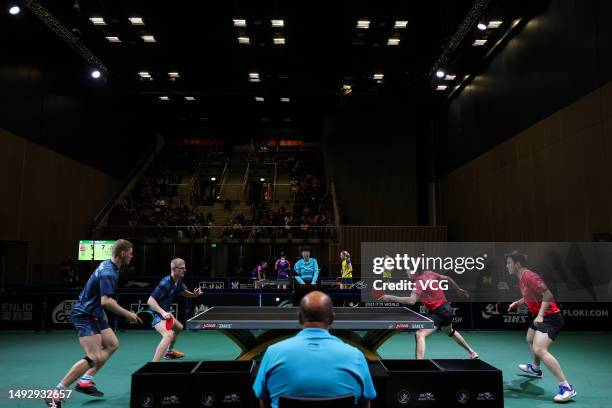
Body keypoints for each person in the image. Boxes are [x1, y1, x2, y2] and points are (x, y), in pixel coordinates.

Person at [45, 240, 142, 408]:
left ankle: (85, 380)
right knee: (94, 356)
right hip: (84, 314)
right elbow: (106, 301)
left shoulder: (109, 265)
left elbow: (100, 298)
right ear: (123, 253)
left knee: (112, 344)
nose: (132, 255)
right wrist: (129, 314)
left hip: (95, 312)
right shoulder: (109, 274)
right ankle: (56, 393)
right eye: (131, 252)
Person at [253, 291, 376, 408]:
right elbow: (365, 402)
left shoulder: (272, 353)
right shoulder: (356, 356)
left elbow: (262, 398)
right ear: (332, 318)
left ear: (300, 318)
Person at [505, 251, 576, 403]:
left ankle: (566, 387)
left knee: (539, 349)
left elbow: (548, 295)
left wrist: (541, 315)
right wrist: (517, 303)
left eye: (509, 262)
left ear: (517, 264)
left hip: (550, 318)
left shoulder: (529, 276)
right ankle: (535, 369)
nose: (507, 265)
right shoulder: (522, 278)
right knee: (530, 337)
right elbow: (530, 295)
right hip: (542, 316)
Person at [380, 268, 478, 360]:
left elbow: (411, 301)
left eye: (408, 271)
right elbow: (447, 278)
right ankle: (472, 352)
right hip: (447, 308)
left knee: (420, 334)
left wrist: (390, 297)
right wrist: (458, 289)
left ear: (415, 272)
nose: (407, 273)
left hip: (438, 312)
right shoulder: (429, 273)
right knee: (449, 331)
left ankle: (420, 366)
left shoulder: (419, 282)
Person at [147, 258, 203, 362]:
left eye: (185, 268)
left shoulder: (178, 281)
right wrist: (163, 312)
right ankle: (153, 365)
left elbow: (183, 292)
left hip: (165, 314)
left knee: (178, 327)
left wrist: (194, 295)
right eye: (182, 268)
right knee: (168, 335)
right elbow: (150, 301)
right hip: (156, 314)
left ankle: (169, 352)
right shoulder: (165, 283)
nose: (184, 270)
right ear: (174, 269)